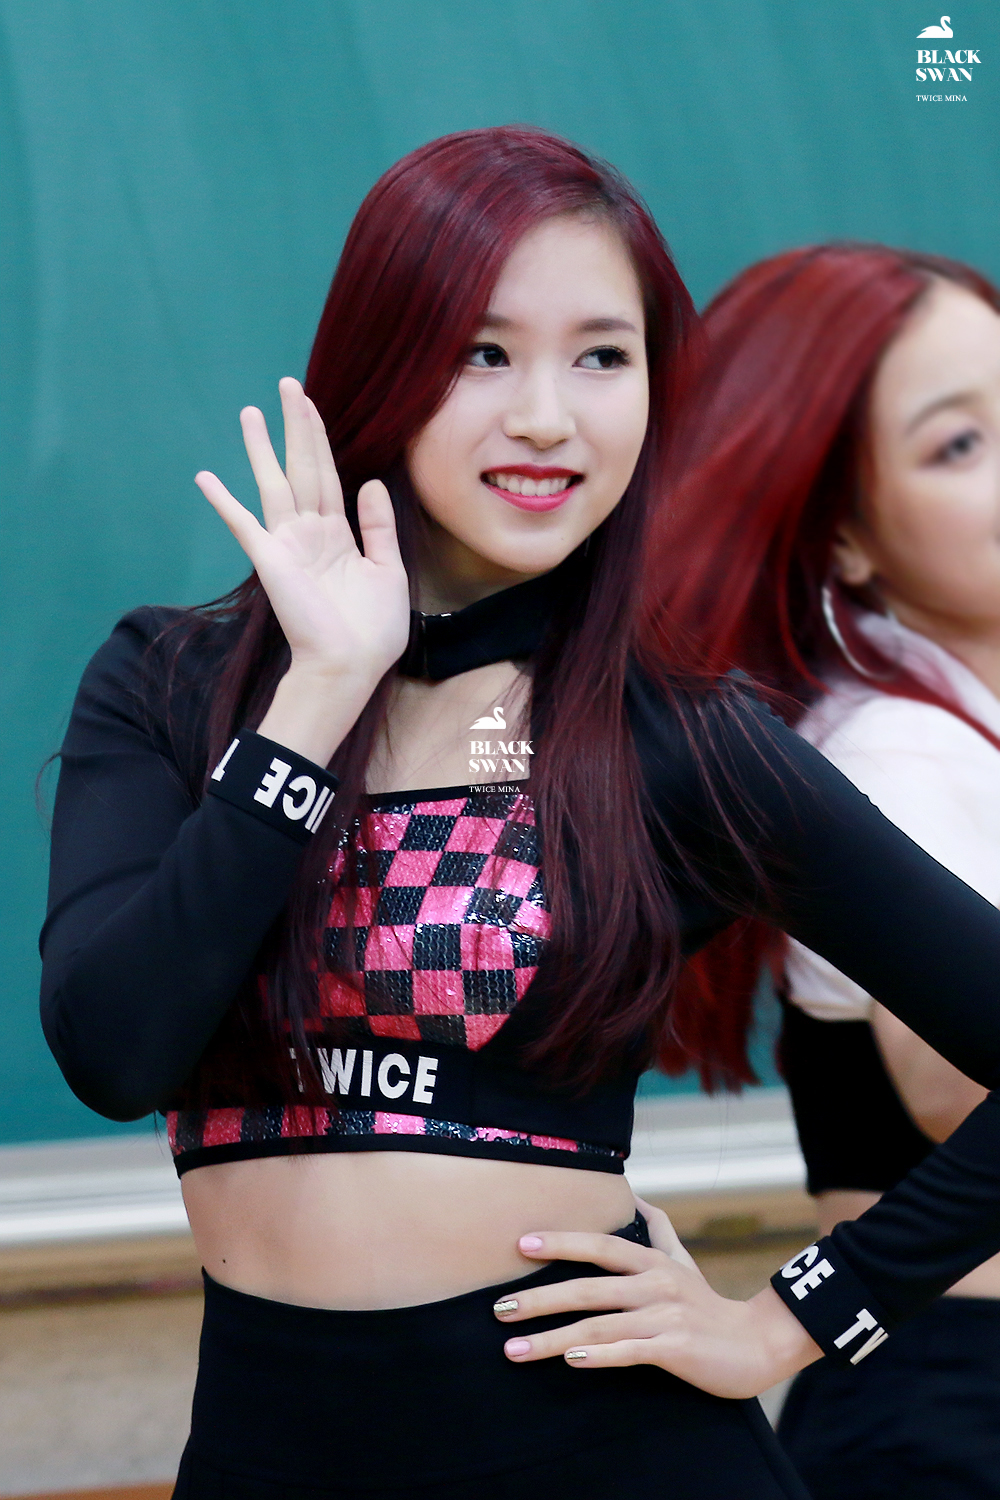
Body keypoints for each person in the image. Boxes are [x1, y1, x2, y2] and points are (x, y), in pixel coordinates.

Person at [38, 128, 1000, 1499]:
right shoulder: (173, 686)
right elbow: (116, 1051)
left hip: (610, 1457)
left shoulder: (673, 739)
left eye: (603, 357)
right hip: (269, 1452)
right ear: (383, 361)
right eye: (485, 353)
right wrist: (320, 692)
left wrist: (792, 1320)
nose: (549, 417)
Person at [520, 243, 1000, 1498]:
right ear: (843, 535)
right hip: (956, 1405)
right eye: (959, 444)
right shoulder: (899, 750)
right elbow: (959, 1090)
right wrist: (795, 1315)